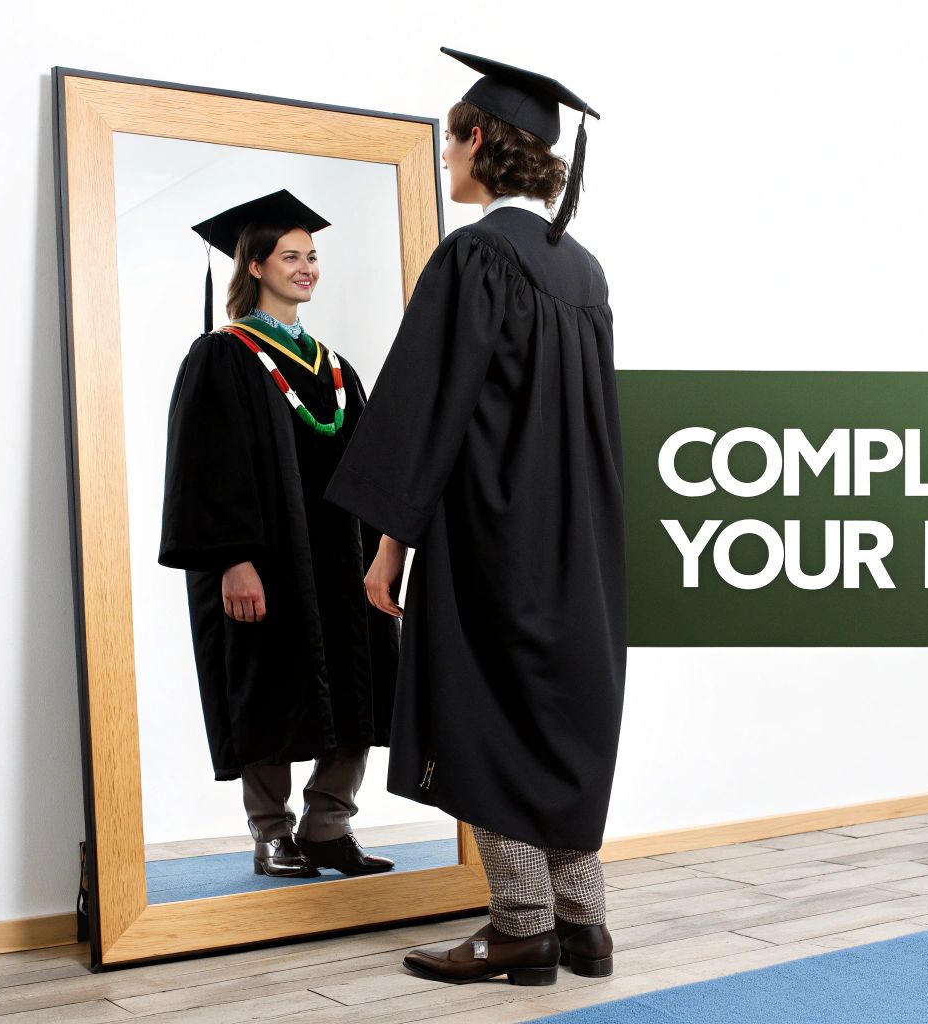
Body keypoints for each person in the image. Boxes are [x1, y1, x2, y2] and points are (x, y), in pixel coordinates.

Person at [326, 49, 625, 986]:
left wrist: (389, 546)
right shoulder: (584, 272)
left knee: (484, 718)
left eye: (451, 141)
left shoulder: (477, 256)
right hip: (579, 543)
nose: (446, 159)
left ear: (482, 139)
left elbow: (427, 411)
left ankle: (521, 924)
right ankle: (585, 928)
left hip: (492, 536)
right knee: (556, 723)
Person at [159, 189, 399, 880]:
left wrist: (387, 551)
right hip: (267, 562)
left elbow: (372, 466)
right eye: (291, 256)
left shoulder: (335, 367)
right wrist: (231, 560)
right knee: (265, 689)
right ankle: (271, 831)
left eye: (312, 256)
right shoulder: (223, 356)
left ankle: (330, 824)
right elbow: (206, 469)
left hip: (341, 558)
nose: (307, 269)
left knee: (360, 683)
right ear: (256, 264)